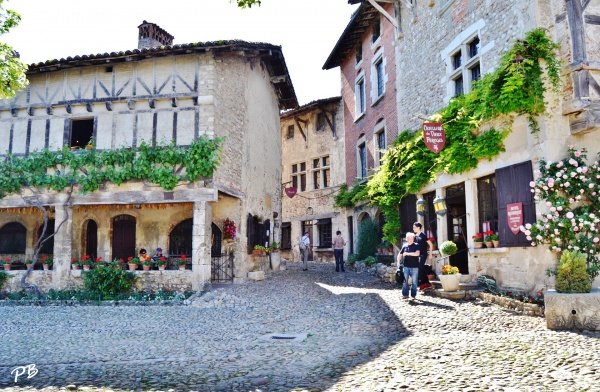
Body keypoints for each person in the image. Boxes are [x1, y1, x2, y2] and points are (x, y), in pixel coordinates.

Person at [399, 232, 420, 300]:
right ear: (407, 239)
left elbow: (417, 254)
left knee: (414, 281)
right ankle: (405, 294)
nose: (411, 239)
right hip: (406, 266)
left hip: (415, 266)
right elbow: (400, 254)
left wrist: (407, 253)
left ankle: (413, 295)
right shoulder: (404, 246)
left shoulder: (416, 245)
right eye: (409, 238)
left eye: (412, 238)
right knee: (405, 281)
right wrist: (398, 262)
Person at [413, 222, 433, 290]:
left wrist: (430, 254)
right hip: (417, 255)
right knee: (420, 269)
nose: (413, 229)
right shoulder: (415, 236)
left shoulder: (423, 235)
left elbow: (430, 244)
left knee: (420, 268)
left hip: (423, 254)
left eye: (414, 227)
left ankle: (422, 284)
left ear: (418, 227)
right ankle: (427, 283)